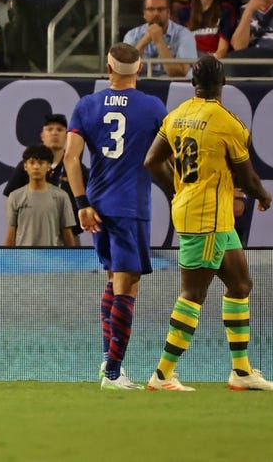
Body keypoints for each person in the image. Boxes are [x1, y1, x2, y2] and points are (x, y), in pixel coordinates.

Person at [143, 55, 273, 392]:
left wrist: (177, 188)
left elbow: (151, 161)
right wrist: (262, 193)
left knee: (241, 285)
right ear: (224, 83)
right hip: (206, 218)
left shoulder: (177, 115)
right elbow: (245, 177)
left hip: (210, 216)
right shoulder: (226, 122)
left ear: (192, 83)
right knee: (193, 294)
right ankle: (162, 375)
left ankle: (242, 372)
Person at [63, 42, 166, 390]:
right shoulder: (152, 107)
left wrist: (81, 203)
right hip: (131, 205)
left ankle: (109, 362)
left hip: (98, 203)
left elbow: (70, 159)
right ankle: (113, 372)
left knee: (112, 280)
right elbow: (167, 157)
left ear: (107, 69)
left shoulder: (86, 105)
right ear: (138, 70)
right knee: (127, 284)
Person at [4, 144, 76, 247]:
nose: (36, 167)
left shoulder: (61, 197)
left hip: (53, 259)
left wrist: (70, 260)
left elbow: (67, 234)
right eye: (32, 163)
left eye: (41, 163)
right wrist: (8, 260)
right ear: (25, 166)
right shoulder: (15, 197)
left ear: (49, 166)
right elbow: (11, 232)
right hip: (24, 259)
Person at [123, 0, 197, 77]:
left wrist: (159, 42)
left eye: (160, 9)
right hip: (140, 86)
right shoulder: (132, 35)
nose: (156, 13)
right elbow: (125, 70)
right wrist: (143, 41)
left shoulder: (184, 34)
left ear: (168, 12)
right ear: (144, 14)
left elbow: (181, 75)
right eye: (151, 9)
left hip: (172, 88)